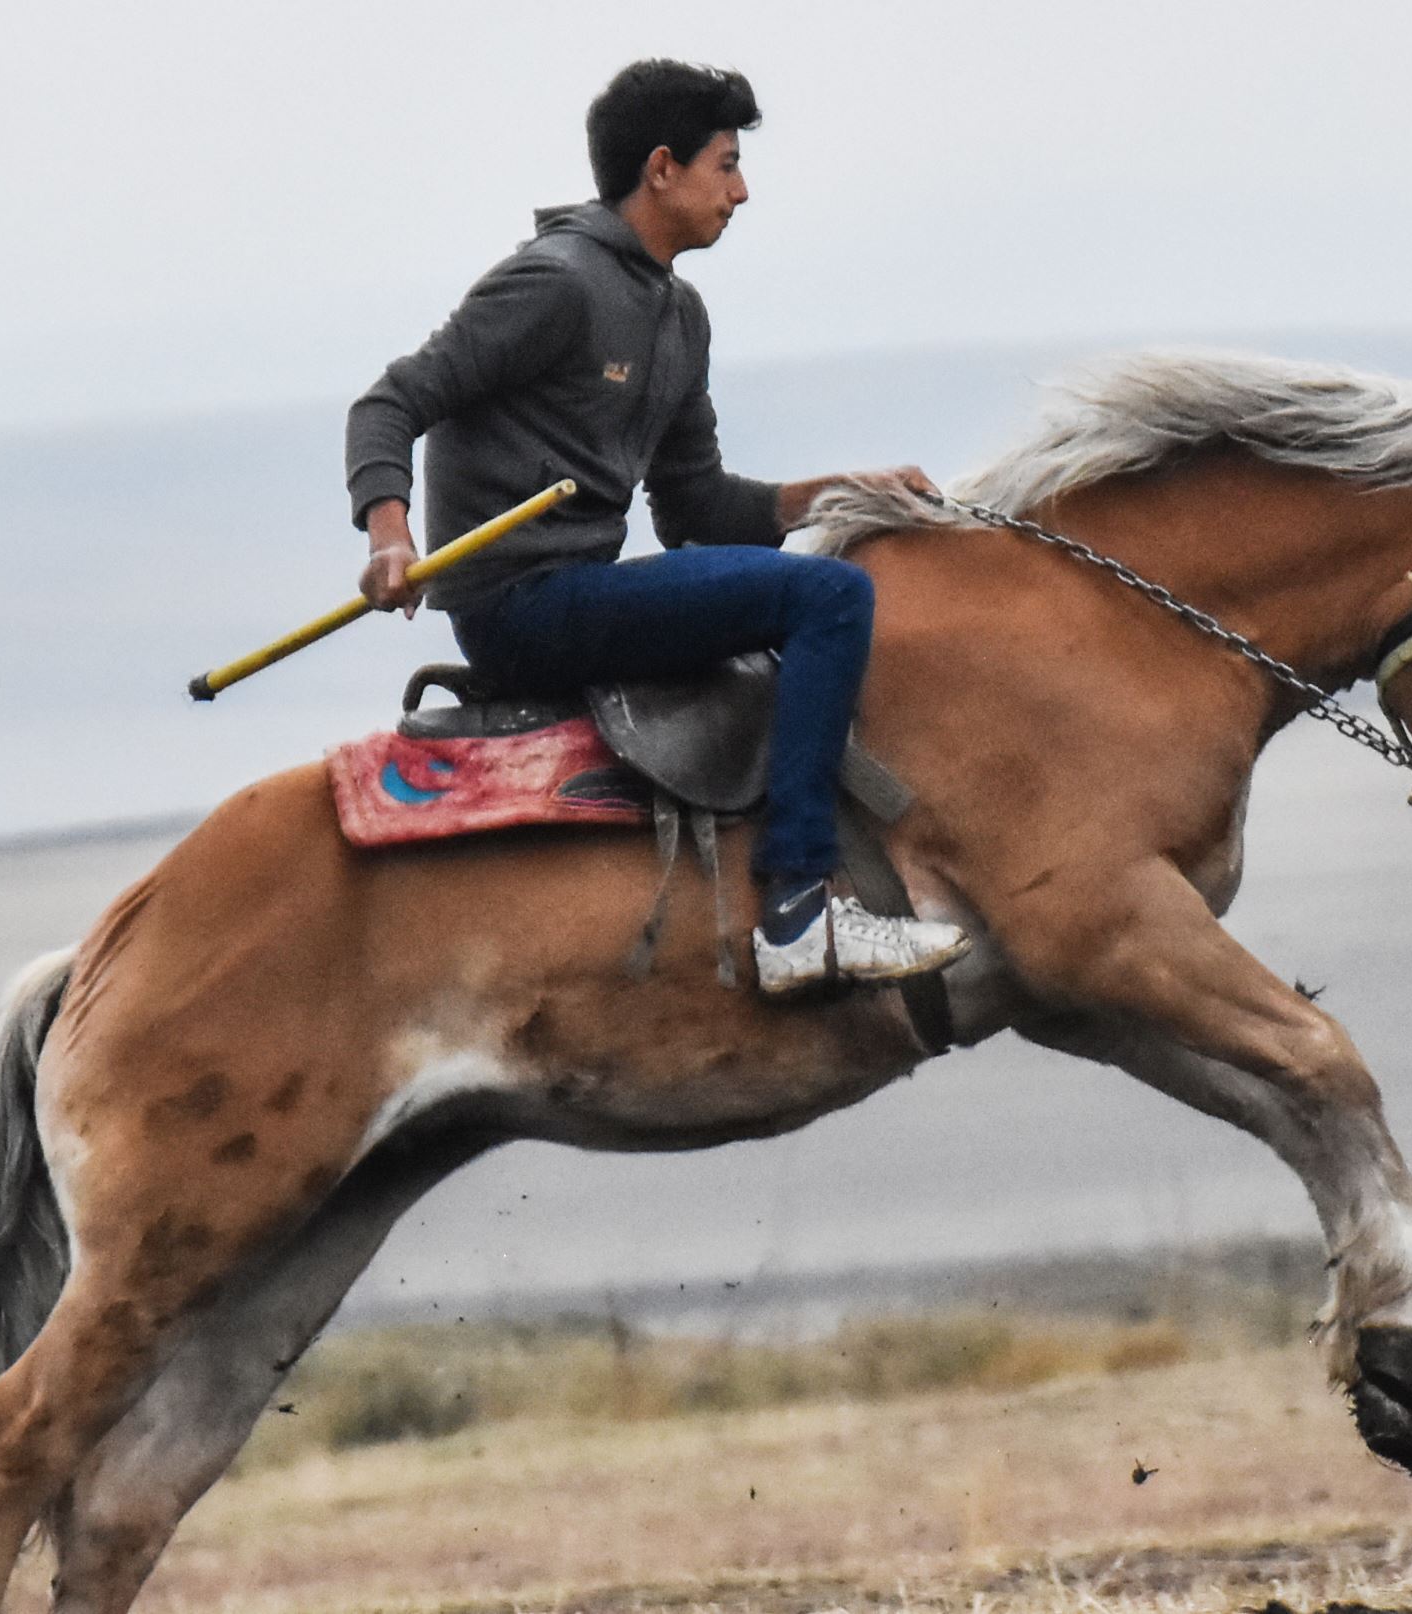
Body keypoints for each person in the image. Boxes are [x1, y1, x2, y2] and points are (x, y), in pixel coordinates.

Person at [344, 59, 970, 995]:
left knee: (830, 574)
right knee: (832, 597)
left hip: (583, 593)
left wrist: (846, 491)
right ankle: (800, 911)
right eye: (726, 165)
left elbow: (697, 512)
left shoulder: (678, 316)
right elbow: (390, 402)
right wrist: (389, 535)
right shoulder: (552, 283)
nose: (743, 190)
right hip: (523, 606)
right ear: (663, 167)